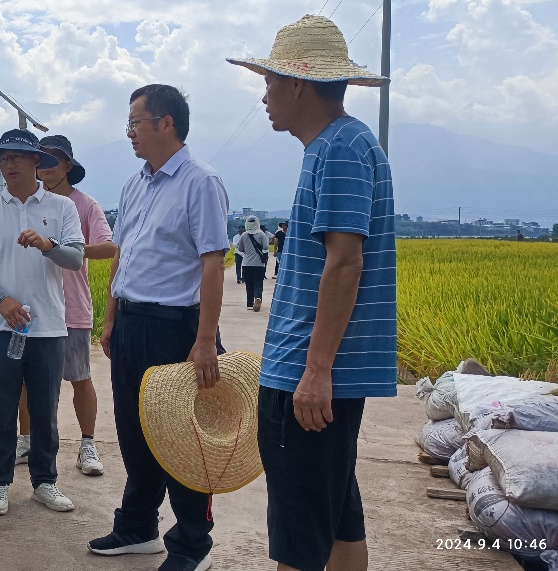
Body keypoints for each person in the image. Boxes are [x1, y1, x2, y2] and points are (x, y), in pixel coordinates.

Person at [227, 14, 397, 571]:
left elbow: (345, 262)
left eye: (270, 81)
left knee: (300, 539)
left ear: (298, 83)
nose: (265, 95)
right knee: (337, 518)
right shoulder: (337, 145)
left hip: (309, 374)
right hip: (315, 372)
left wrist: (316, 370)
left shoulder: (340, 148)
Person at [88, 84, 230, 571]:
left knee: (183, 438)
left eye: (135, 122)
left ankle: (192, 544)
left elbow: (213, 265)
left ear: (165, 123)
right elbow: (122, 254)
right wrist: (111, 318)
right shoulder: (134, 184)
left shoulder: (200, 181)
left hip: (175, 327)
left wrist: (205, 340)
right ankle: (137, 526)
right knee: (134, 430)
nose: (129, 132)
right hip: (131, 323)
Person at [0, 128, 85, 516]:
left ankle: (45, 482)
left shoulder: (61, 208)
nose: (9, 164)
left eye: (17, 156)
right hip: (2, 326)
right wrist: (3, 301)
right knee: (0, 410)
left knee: (45, 409)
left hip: (48, 326)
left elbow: (75, 259)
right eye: (4, 158)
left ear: (36, 161)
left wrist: (48, 245)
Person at [13, 134, 117, 477]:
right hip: (31, 306)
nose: (44, 167)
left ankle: (88, 445)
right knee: (27, 381)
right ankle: (26, 442)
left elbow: (108, 247)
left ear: (69, 165)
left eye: (52, 160)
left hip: (71, 307)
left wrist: (63, 248)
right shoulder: (28, 201)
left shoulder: (84, 205)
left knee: (80, 377)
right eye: (39, 160)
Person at [238, 215, 269, 311]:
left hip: (246, 264)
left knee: (249, 283)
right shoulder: (262, 234)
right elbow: (266, 247)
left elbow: (240, 248)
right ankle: (258, 297)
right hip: (259, 264)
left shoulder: (244, 235)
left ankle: (249, 303)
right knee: (258, 282)